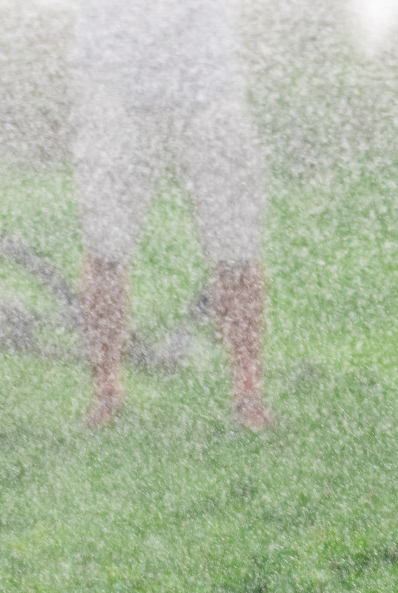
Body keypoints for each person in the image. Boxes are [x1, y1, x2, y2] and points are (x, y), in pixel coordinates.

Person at [72, 0, 271, 429]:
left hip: (209, 85)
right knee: (105, 248)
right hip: (114, 86)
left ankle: (248, 391)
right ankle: (106, 393)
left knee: (236, 250)